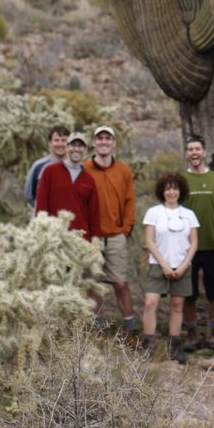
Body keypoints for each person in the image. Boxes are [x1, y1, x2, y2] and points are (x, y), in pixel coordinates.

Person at [141, 172, 199, 363]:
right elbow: (149, 240)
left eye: (175, 188)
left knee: (177, 305)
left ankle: (174, 346)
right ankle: (148, 345)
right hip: (158, 265)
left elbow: (194, 243)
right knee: (151, 302)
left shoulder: (188, 214)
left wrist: (183, 266)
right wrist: (164, 264)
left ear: (180, 191)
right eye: (167, 188)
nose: (171, 192)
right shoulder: (154, 212)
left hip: (182, 265)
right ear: (162, 191)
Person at [84, 126, 137, 333]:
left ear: (113, 143)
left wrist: (124, 230)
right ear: (94, 143)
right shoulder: (85, 169)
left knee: (121, 284)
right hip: (92, 237)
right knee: (94, 284)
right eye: (100, 138)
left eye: (108, 138)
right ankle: (97, 330)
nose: (104, 142)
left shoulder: (123, 171)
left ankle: (131, 330)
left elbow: (129, 201)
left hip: (116, 235)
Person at [182, 135, 214, 353]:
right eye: (190, 149)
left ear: (204, 152)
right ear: (186, 153)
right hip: (186, 248)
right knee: (188, 293)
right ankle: (191, 334)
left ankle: (212, 332)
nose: (194, 153)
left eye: (197, 149)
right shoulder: (180, 181)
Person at [34, 130, 101, 241]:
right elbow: (41, 206)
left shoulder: (89, 180)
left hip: (81, 240)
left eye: (80, 146)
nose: (76, 149)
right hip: (54, 238)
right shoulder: (50, 172)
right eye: (73, 145)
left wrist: (95, 241)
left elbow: (94, 215)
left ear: (85, 150)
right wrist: (41, 233)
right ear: (67, 147)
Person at [24, 124, 70, 206]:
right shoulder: (38, 166)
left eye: (64, 140)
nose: (60, 144)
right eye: (56, 140)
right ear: (50, 143)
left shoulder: (77, 167)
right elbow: (29, 195)